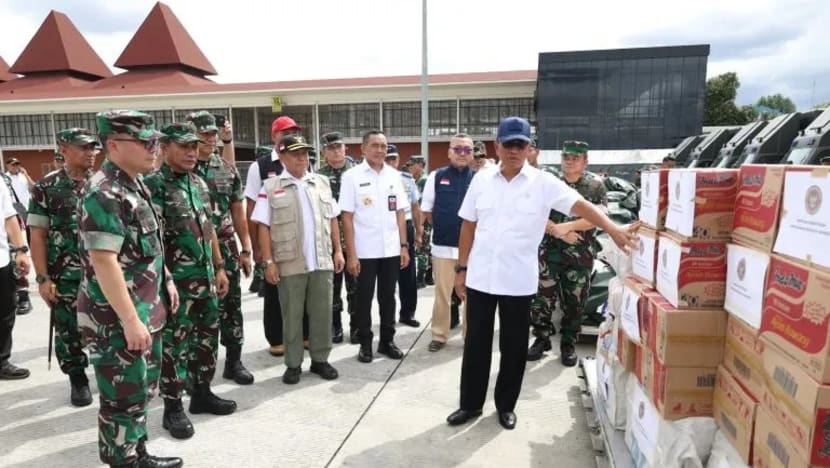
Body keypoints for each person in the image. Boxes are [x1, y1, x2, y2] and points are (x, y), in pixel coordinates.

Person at [446, 117, 637, 431]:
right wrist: (461, 269)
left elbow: (582, 205)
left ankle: (505, 406)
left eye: (520, 144)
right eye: (508, 144)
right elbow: (468, 224)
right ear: (497, 146)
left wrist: (613, 228)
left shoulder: (543, 183)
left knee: (514, 346)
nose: (514, 150)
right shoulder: (482, 179)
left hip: (518, 281)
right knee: (476, 344)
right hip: (480, 277)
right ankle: (470, 405)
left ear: (529, 148)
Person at [77, 110, 182, 468]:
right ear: (113, 145)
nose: (155, 148)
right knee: (122, 401)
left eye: (155, 141)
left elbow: (145, 246)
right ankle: (123, 461)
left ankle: (139, 455)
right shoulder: (104, 192)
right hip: (117, 320)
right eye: (145, 142)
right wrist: (130, 320)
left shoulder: (132, 182)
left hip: (144, 310)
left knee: (140, 394)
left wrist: (165, 277)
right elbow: (104, 261)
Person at [144, 123, 234, 440]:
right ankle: (172, 407)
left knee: (207, 339)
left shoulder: (198, 183)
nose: (192, 152)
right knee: (175, 346)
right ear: (164, 147)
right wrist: (162, 282)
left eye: (194, 146)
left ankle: (202, 393)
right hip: (174, 287)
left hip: (206, 280)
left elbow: (208, 228)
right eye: (184, 146)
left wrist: (220, 266)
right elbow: (150, 241)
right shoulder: (152, 185)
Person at [252, 135, 344, 384]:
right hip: (290, 262)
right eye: (295, 153)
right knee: (292, 316)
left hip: (322, 260)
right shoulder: (270, 187)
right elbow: (263, 226)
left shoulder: (321, 182)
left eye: (305, 153)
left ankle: (320, 360)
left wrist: (338, 251)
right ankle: (293, 364)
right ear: (282, 157)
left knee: (322, 313)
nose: (302, 157)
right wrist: (268, 263)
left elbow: (333, 219)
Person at [28, 128, 99, 406]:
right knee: (69, 330)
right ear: (64, 149)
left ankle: (110, 376)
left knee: (108, 328)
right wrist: (43, 278)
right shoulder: (47, 187)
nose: (90, 153)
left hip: (103, 274)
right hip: (65, 275)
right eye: (83, 147)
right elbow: (38, 235)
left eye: (93, 147)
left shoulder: (104, 183)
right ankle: (78, 378)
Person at [187, 111, 255, 386]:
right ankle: (196, 370)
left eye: (213, 133)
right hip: (190, 253)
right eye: (204, 133)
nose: (210, 138)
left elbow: (238, 212)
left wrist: (246, 249)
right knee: (197, 314)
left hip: (226, 250)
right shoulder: (181, 168)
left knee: (231, 308)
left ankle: (234, 361)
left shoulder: (226, 169)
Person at [527, 140, 608, 366]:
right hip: (549, 253)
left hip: (580, 256)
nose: (569, 161)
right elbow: (534, 212)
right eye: (566, 157)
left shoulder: (595, 185)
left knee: (575, 302)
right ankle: (541, 339)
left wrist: (569, 227)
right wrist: (559, 232)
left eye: (575, 158)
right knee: (541, 300)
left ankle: (568, 342)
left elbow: (598, 217)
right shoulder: (548, 181)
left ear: (585, 161)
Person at [339, 130, 410, 363]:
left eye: (384, 145)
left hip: (390, 249)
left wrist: (403, 246)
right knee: (363, 299)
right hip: (364, 251)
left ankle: (387, 341)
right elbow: (347, 218)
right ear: (363, 149)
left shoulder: (393, 175)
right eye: (375, 145)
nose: (380, 150)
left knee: (388, 297)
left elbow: (400, 212)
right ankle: (366, 343)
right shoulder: (351, 176)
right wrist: (351, 254)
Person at [244, 116, 308, 356]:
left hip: (298, 237)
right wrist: (256, 247)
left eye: (294, 131)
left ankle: (303, 334)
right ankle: (277, 338)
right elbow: (251, 208)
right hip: (271, 240)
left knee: (302, 287)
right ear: (274, 136)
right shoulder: (259, 166)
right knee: (273, 291)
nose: (289, 135)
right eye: (284, 132)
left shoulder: (303, 161)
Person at [420, 134, 475, 352]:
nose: (463, 154)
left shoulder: (481, 178)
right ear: (449, 151)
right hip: (443, 246)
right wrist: (444, 224)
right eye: (458, 149)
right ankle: (439, 335)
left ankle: (470, 337)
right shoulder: (436, 176)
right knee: (442, 294)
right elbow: (427, 209)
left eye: (467, 150)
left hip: (473, 249)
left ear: (472, 154)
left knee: (471, 296)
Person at [317, 132, 357, 344]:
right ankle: (335, 326)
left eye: (339, 147)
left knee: (356, 286)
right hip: (329, 240)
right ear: (324, 152)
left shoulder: (358, 172)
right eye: (331, 148)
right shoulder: (318, 176)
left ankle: (357, 325)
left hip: (354, 239)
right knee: (332, 287)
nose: (336, 151)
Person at [385, 144, 422, 328]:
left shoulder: (407, 180)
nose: (391, 162)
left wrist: (419, 231)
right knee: (386, 277)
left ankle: (407, 313)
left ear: (399, 160)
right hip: (384, 227)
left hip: (405, 226)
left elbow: (415, 207)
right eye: (387, 159)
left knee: (408, 275)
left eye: (394, 159)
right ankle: (387, 317)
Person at [0, 173, 31, 380]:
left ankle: (2, 361)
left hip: (1, 259)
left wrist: (21, 249)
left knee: (5, 313)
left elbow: (9, 215)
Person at [4, 158, 33, 315]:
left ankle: (23, 296)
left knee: (15, 260)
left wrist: (21, 249)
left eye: (17, 164)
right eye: (12, 164)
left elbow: (8, 212)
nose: (16, 167)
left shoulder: (4, 180)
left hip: (14, 216)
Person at [248, 145, 273, 297]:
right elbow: (250, 206)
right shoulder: (258, 169)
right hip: (260, 222)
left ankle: (259, 281)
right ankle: (260, 282)